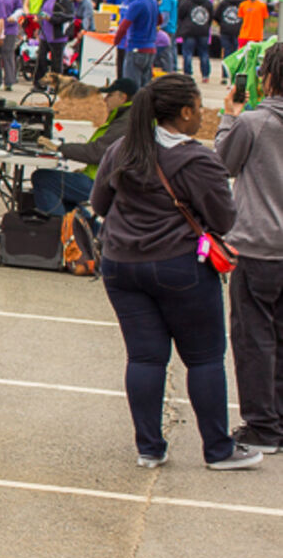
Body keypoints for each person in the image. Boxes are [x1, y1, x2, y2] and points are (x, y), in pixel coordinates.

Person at [92, 74, 261, 470]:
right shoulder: (197, 159)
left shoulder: (122, 150)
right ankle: (218, 449)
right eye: (199, 108)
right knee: (204, 358)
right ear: (184, 112)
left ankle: (149, 448)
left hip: (121, 265)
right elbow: (224, 218)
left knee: (145, 358)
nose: (201, 115)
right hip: (180, 265)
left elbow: (99, 204)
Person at [215, 45, 283, 455]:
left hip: (258, 246)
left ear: (268, 78)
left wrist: (230, 116)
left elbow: (222, 165)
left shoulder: (254, 123)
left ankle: (263, 426)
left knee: (254, 337)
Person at [32, 78, 136, 218]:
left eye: (109, 95)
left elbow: (96, 153)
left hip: (107, 182)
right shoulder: (128, 115)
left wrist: (60, 148)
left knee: (43, 179)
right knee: (62, 191)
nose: (105, 100)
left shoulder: (127, 121)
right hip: (110, 178)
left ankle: (61, 229)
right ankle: (87, 228)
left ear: (122, 97)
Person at [113, 0, 159, 88]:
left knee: (131, 86)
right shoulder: (153, 2)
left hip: (136, 46)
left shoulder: (136, 4)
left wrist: (116, 41)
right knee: (145, 86)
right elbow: (160, 20)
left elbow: (124, 26)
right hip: (151, 47)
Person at [34, 0, 75, 90]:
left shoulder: (65, 1)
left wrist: (51, 19)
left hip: (57, 37)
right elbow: (41, 9)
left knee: (56, 64)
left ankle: (56, 86)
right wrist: (39, 17)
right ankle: (39, 84)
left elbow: (68, 17)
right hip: (44, 34)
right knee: (41, 60)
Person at [176, 0, 215, 82]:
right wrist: (206, 26)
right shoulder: (208, 3)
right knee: (204, 53)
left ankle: (187, 74)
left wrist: (182, 27)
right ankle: (205, 75)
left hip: (188, 30)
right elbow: (211, 17)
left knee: (188, 53)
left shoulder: (186, 2)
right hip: (203, 31)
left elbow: (180, 16)